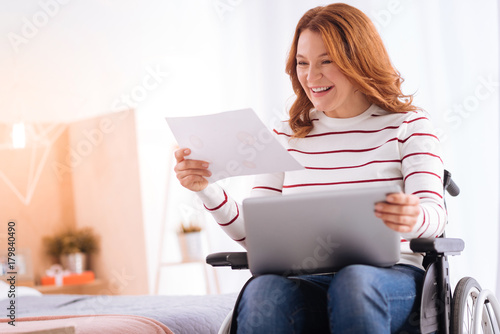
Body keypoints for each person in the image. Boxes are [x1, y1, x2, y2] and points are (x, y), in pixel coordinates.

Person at [174, 3, 445, 333]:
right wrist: (207, 189)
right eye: (302, 63)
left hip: (390, 278)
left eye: (326, 62)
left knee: (353, 281)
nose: (311, 77)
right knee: (262, 291)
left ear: (358, 60)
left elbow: (435, 215)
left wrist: (413, 217)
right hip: (307, 279)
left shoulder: (408, 126)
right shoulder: (286, 135)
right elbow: (256, 236)